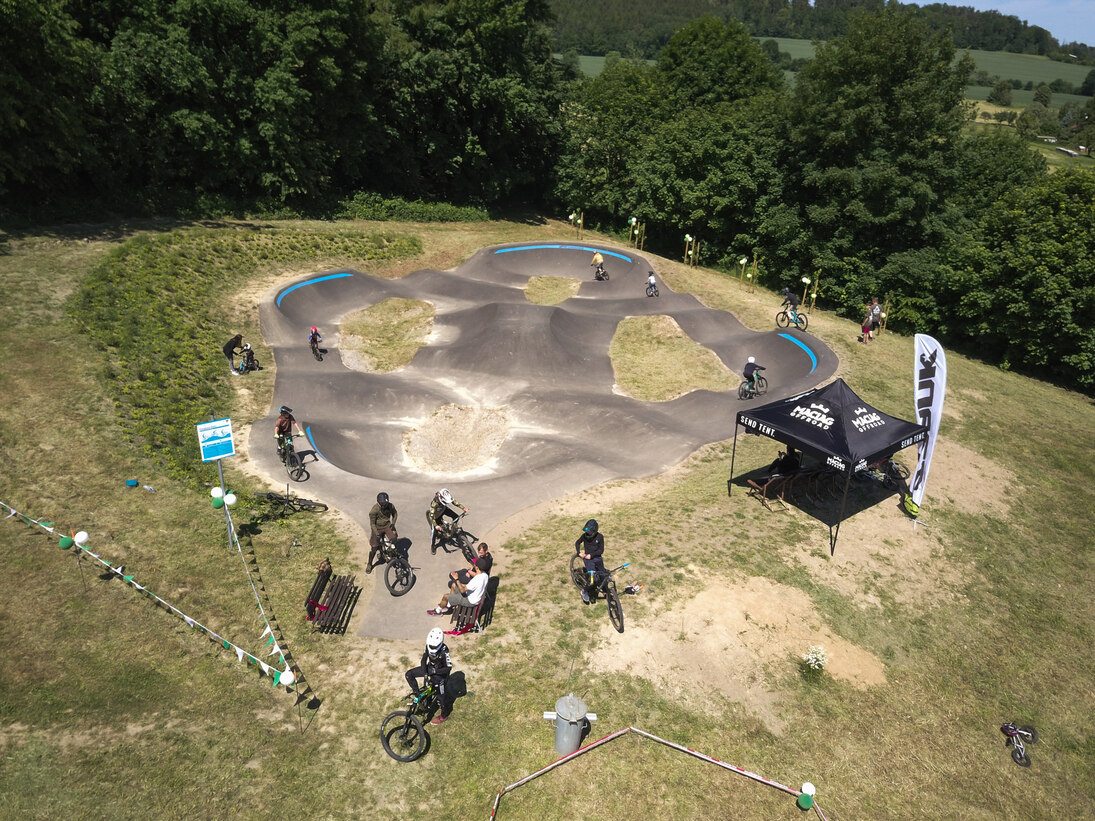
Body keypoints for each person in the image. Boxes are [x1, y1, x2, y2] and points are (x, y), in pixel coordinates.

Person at [404, 627, 454, 724]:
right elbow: (424, 659)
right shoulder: (428, 646)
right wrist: (425, 672)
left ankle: (444, 715)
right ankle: (417, 694)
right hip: (429, 669)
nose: (432, 648)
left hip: (440, 675)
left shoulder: (444, 650)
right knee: (409, 675)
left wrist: (435, 671)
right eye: (431, 646)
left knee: (441, 697)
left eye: (434, 647)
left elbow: (448, 668)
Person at [427, 488, 468, 554]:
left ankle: (454, 530)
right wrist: (436, 525)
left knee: (456, 517)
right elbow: (431, 517)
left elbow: (454, 502)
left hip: (443, 510)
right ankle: (433, 546)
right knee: (434, 531)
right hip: (436, 516)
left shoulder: (445, 497)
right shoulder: (434, 504)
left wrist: (463, 507)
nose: (446, 503)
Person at [574, 518, 606, 605]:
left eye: (589, 532)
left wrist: (591, 555)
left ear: (595, 531)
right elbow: (577, 543)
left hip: (597, 558)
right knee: (592, 580)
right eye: (587, 532)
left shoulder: (600, 537)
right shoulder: (584, 536)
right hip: (589, 561)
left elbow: (601, 550)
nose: (587, 534)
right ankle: (584, 591)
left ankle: (604, 589)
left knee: (603, 575)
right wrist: (578, 552)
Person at [367, 492, 398, 573]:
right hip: (377, 528)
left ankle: (390, 554)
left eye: (385, 502)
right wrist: (377, 534)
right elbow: (372, 524)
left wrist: (393, 524)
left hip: (387, 526)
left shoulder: (390, 506)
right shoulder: (374, 510)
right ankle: (369, 564)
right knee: (374, 548)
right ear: (378, 502)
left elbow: (395, 513)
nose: (384, 504)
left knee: (394, 539)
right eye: (382, 503)